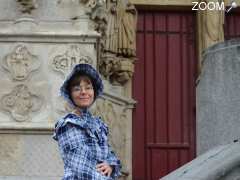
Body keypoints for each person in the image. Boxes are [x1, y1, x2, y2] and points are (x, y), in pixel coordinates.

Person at [53, 63, 122, 180]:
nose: (83, 92)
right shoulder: (69, 124)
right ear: (70, 95)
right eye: (77, 89)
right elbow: (82, 168)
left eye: (88, 88)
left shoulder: (98, 124)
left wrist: (110, 165)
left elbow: (110, 155)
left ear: (94, 92)